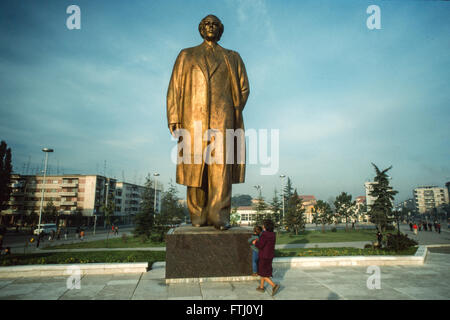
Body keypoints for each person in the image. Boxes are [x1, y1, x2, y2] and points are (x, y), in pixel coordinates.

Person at [167, 15, 250, 230]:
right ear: (201, 29)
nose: (210, 27)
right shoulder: (187, 55)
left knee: (220, 167)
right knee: (195, 168)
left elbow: (243, 88)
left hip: (223, 118)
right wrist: (174, 116)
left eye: (215, 24)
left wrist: (231, 107)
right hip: (193, 117)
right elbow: (175, 87)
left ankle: (219, 216)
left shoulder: (232, 57)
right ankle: (198, 215)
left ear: (220, 30)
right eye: (207, 24)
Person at [252, 219, 280, 296]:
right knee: (264, 272)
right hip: (270, 256)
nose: (262, 226)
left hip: (264, 256)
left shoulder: (264, 234)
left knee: (262, 273)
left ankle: (274, 285)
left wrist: (255, 242)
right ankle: (261, 287)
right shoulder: (273, 234)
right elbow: (266, 243)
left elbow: (260, 245)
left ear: (266, 226)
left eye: (263, 225)